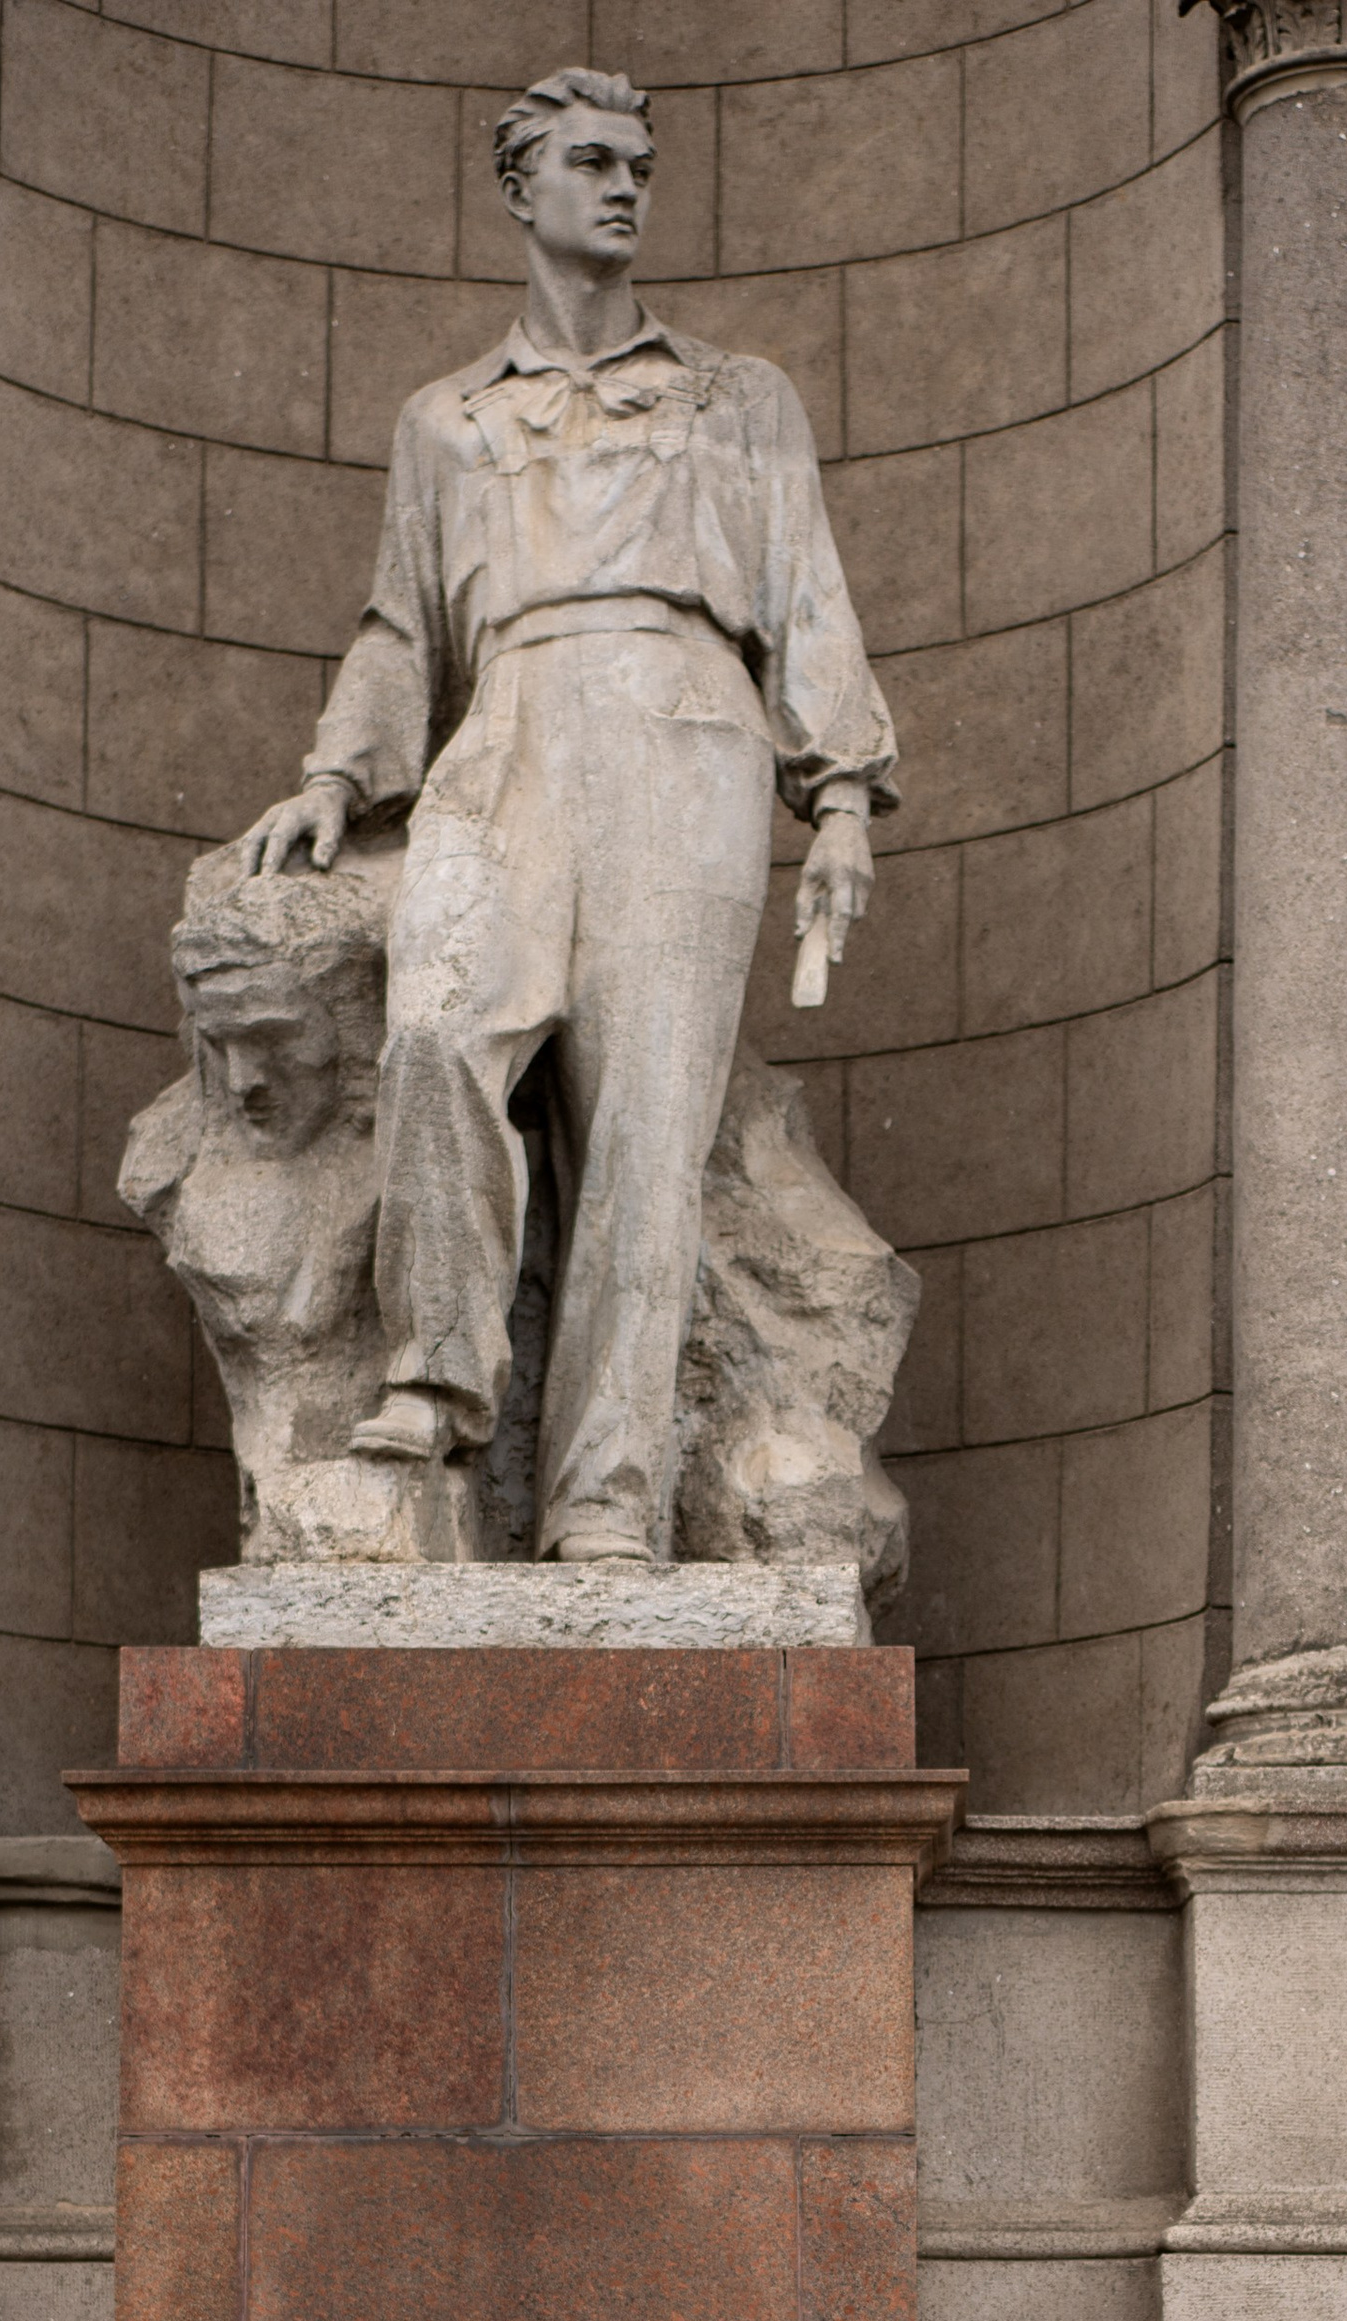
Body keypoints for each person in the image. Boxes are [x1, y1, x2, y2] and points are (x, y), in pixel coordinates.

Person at [234, 68, 895, 1564]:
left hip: (687, 726)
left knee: (646, 1140)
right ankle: (440, 1372)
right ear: (520, 189)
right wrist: (337, 776)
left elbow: (807, 596)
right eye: (592, 162)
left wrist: (842, 793)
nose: (625, 188)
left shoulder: (740, 396)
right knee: (439, 1029)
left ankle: (607, 1501)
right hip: (508, 723)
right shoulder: (448, 420)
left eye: (641, 167)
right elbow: (402, 626)